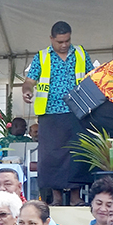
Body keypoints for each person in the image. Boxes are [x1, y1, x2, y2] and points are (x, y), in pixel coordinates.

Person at [22, 21, 94, 206]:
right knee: (52, 155)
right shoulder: (42, 56)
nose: (64, 45)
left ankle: (76, 197)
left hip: (78, 110)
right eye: (60, 41)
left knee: (77, 153)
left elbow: (92, 77)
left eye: (67, 41)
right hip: (50, 112)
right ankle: (56, 197)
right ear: (51, 39)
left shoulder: (80, 53)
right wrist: (27, 90)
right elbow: (30, 80)